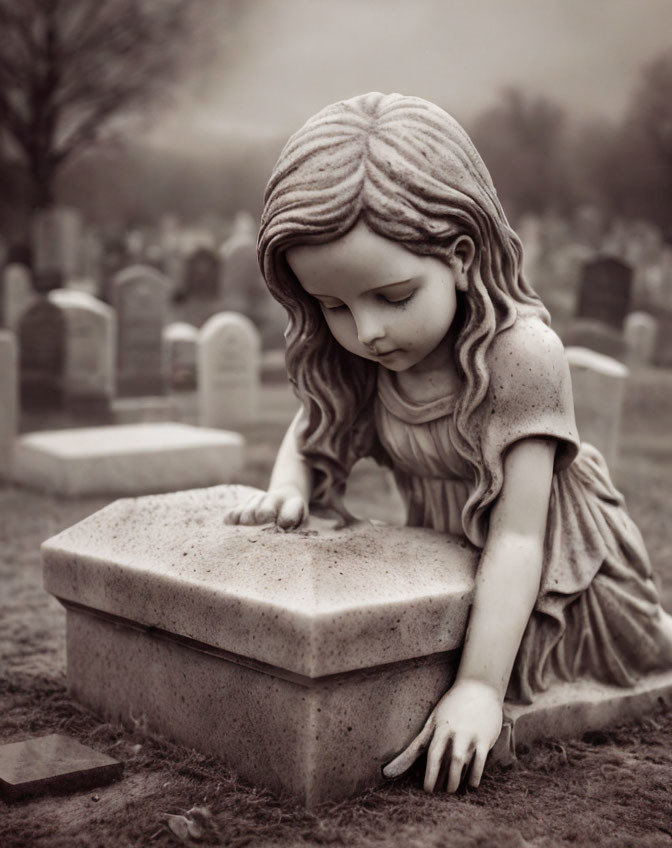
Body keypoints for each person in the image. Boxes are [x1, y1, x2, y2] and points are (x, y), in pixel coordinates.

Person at [225, 92, 672, 794]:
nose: (366, 330)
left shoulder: (521, 357)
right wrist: (289, 485)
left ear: (461, 256)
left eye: (393, 296)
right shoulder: (370, 361)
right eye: (334, 306)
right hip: (452, 567)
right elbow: (315, 425)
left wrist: (480, 689)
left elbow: (520, 540)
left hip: (559, 582)